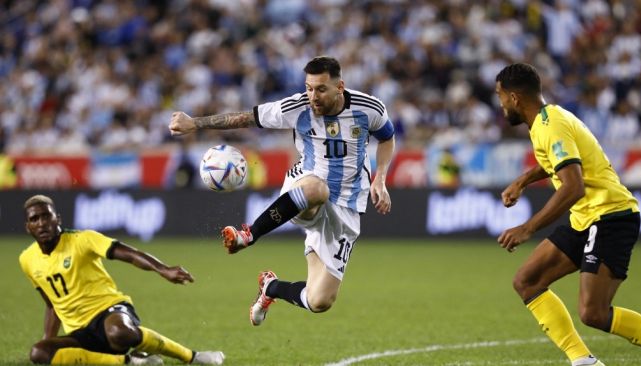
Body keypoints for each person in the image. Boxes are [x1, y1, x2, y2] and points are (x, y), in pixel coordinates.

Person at [169, 56, 395, 326]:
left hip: (347, 205)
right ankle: (248, 234)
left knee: (319, 301)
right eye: (309, 88)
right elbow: (245, 118)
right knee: (317, 188)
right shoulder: (297, 107)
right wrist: (195, 123)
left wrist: (379, 178)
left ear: (340, 87)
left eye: (321, 89)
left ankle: (270, 288)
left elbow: (387, 137)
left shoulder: (369, 108)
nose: (313, 96)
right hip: (305, 188)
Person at [495, 63, 641, 366]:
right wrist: (522, 180)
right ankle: (583, 362)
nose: (500, 105)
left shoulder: (551, 123)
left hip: (610, 215)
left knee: (593, 313)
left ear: (515, 98)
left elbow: (573, 187)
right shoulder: (547, 120)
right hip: (587, 218)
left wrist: (528, 228)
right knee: (527, 281)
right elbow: (559, 161)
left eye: (501, 97)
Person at [20, 195, 225, 365]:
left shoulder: (82, 240)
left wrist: (163, 269)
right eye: (35, 219)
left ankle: (194, 356)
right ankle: (129, 361)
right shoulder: (27, 260)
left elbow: (129, 254)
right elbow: (51, 304)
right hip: (79, 331)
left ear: (58, 218)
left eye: (46, 216)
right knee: (39, 353)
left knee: (119, 332)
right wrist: (50, 341)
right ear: (28, 226)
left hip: (109, 310)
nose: (42, 223)